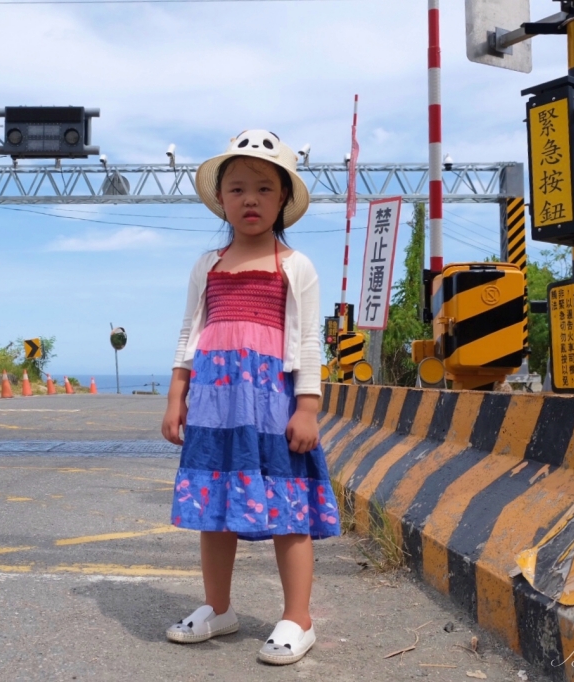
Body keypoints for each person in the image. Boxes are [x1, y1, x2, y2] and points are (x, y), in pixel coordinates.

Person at [160, 130, 341, 665]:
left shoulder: (295, 265)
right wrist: (177, 394)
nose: (250, 200)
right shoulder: (208, 265)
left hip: (272, 405)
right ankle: (218, 607)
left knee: (289, 508)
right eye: (237, 189)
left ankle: (298, 617)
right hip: (214, 406)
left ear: (283, 198)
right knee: (213, 507)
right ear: (221, 199)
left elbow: (309, 342)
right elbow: (189, 333)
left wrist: (307, 406)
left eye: (264, 189)